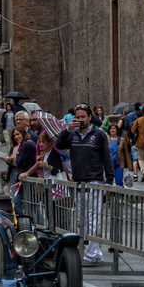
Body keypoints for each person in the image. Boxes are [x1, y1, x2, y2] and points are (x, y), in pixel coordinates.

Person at [56, 104, 113, 263]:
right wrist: (67, 129)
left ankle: (90, 254)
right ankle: (95, 253)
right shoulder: (72, 134)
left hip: (94, 181)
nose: (80, 120)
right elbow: (59, 144)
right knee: (83, 220)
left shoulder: (99, 135)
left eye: (83, 117)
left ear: (89, 117)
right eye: (78, 117)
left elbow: (107, 158)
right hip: (78, 182)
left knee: (94, 219)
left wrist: (108, 181)